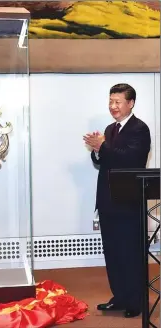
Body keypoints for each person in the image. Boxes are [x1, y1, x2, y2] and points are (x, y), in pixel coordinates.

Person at [83, 83, 151, 318]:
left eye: (118, 102)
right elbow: (105, 161)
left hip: (129, 201)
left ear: (130, 103)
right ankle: (119, 297)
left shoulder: (140, 129)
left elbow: (131, 159)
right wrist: (97, 150)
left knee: (130, 252)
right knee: (112, 252)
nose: (113, 106)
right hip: (108, 200)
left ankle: (136, 301)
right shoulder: (110, 129)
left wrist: (103, 147)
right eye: (110, 101)